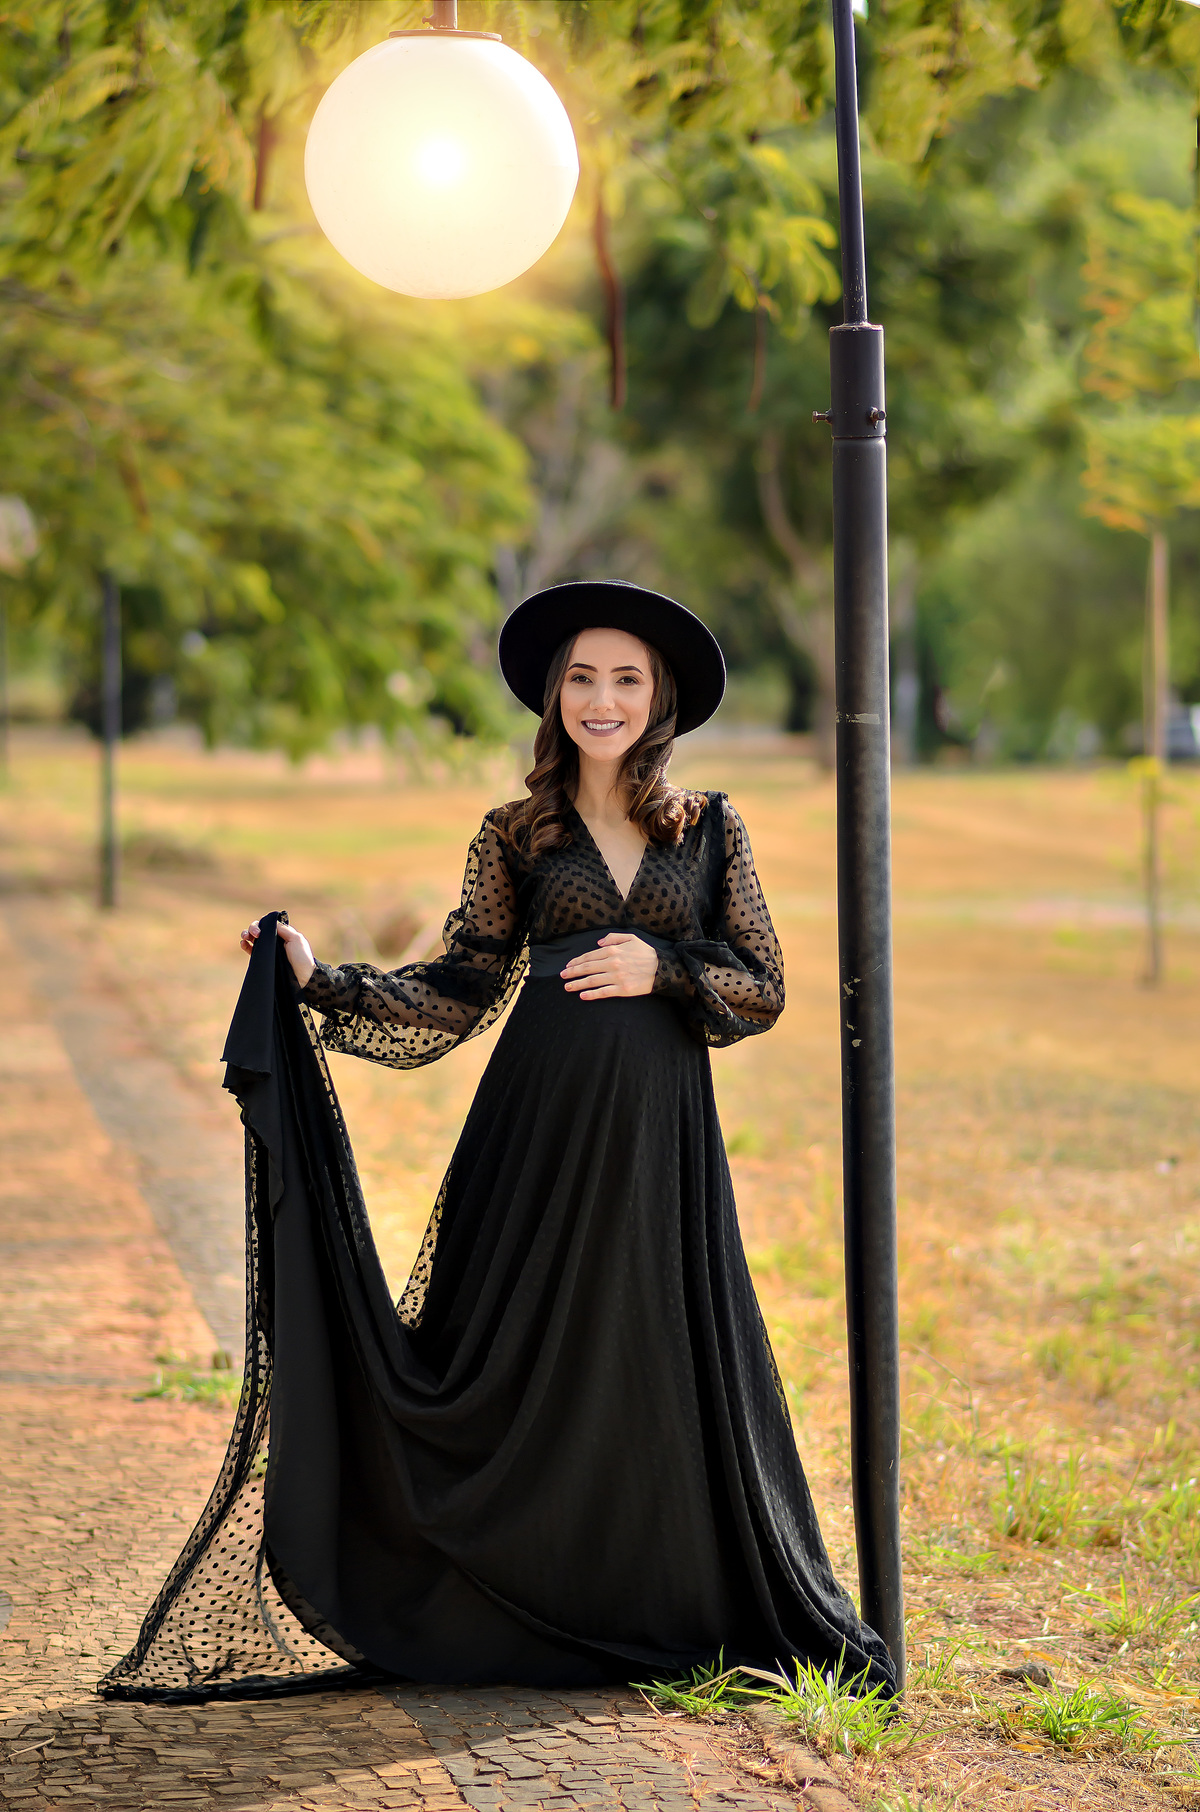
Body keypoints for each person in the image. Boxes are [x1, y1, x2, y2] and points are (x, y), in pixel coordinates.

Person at [100, 580, 894, 1701]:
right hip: (535, 1134)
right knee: (514, 1364)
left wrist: (662, 967)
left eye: (626, 679)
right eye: (582, 678)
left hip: (659, 1142)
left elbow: (762, 985)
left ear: (660, 696)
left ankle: (651, 1593)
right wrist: (321, 980)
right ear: (554, 695)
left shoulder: (710, 827)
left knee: (654, 1354)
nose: (603, 699)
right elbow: (460, 985)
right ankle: (506, 1589)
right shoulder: (518, 834)